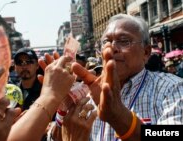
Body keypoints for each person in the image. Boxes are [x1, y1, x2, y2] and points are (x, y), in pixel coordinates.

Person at [48, 13, 183, 141]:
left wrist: (119, 117)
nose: (111, 48)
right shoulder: (86, 96)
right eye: (106, 42)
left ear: (146, 52)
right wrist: (62, 111)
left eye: (124, 41)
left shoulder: (171, 89)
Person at [0, 56, 77, 141]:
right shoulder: (12, 91)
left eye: (28, 62)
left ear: (36, 66)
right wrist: (51, 96)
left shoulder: (51, 84)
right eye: (19, 63)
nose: (24, 66)